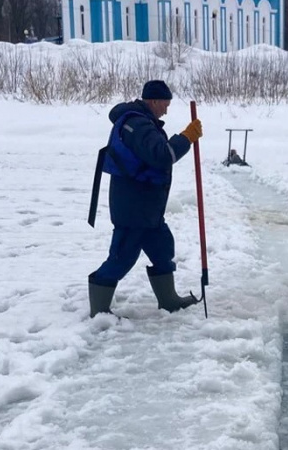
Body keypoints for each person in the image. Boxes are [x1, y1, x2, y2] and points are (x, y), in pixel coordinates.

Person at [87, 80, 203, 318]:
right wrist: (186, 138)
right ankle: (99, 310)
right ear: (153, 101)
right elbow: (161, 156)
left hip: (147, 207)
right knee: (123, 256)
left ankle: (169, 300)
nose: (166, 110)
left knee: (162, 248)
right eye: (165, 104)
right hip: (133, 206)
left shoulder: (141, 121)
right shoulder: (137, 125)